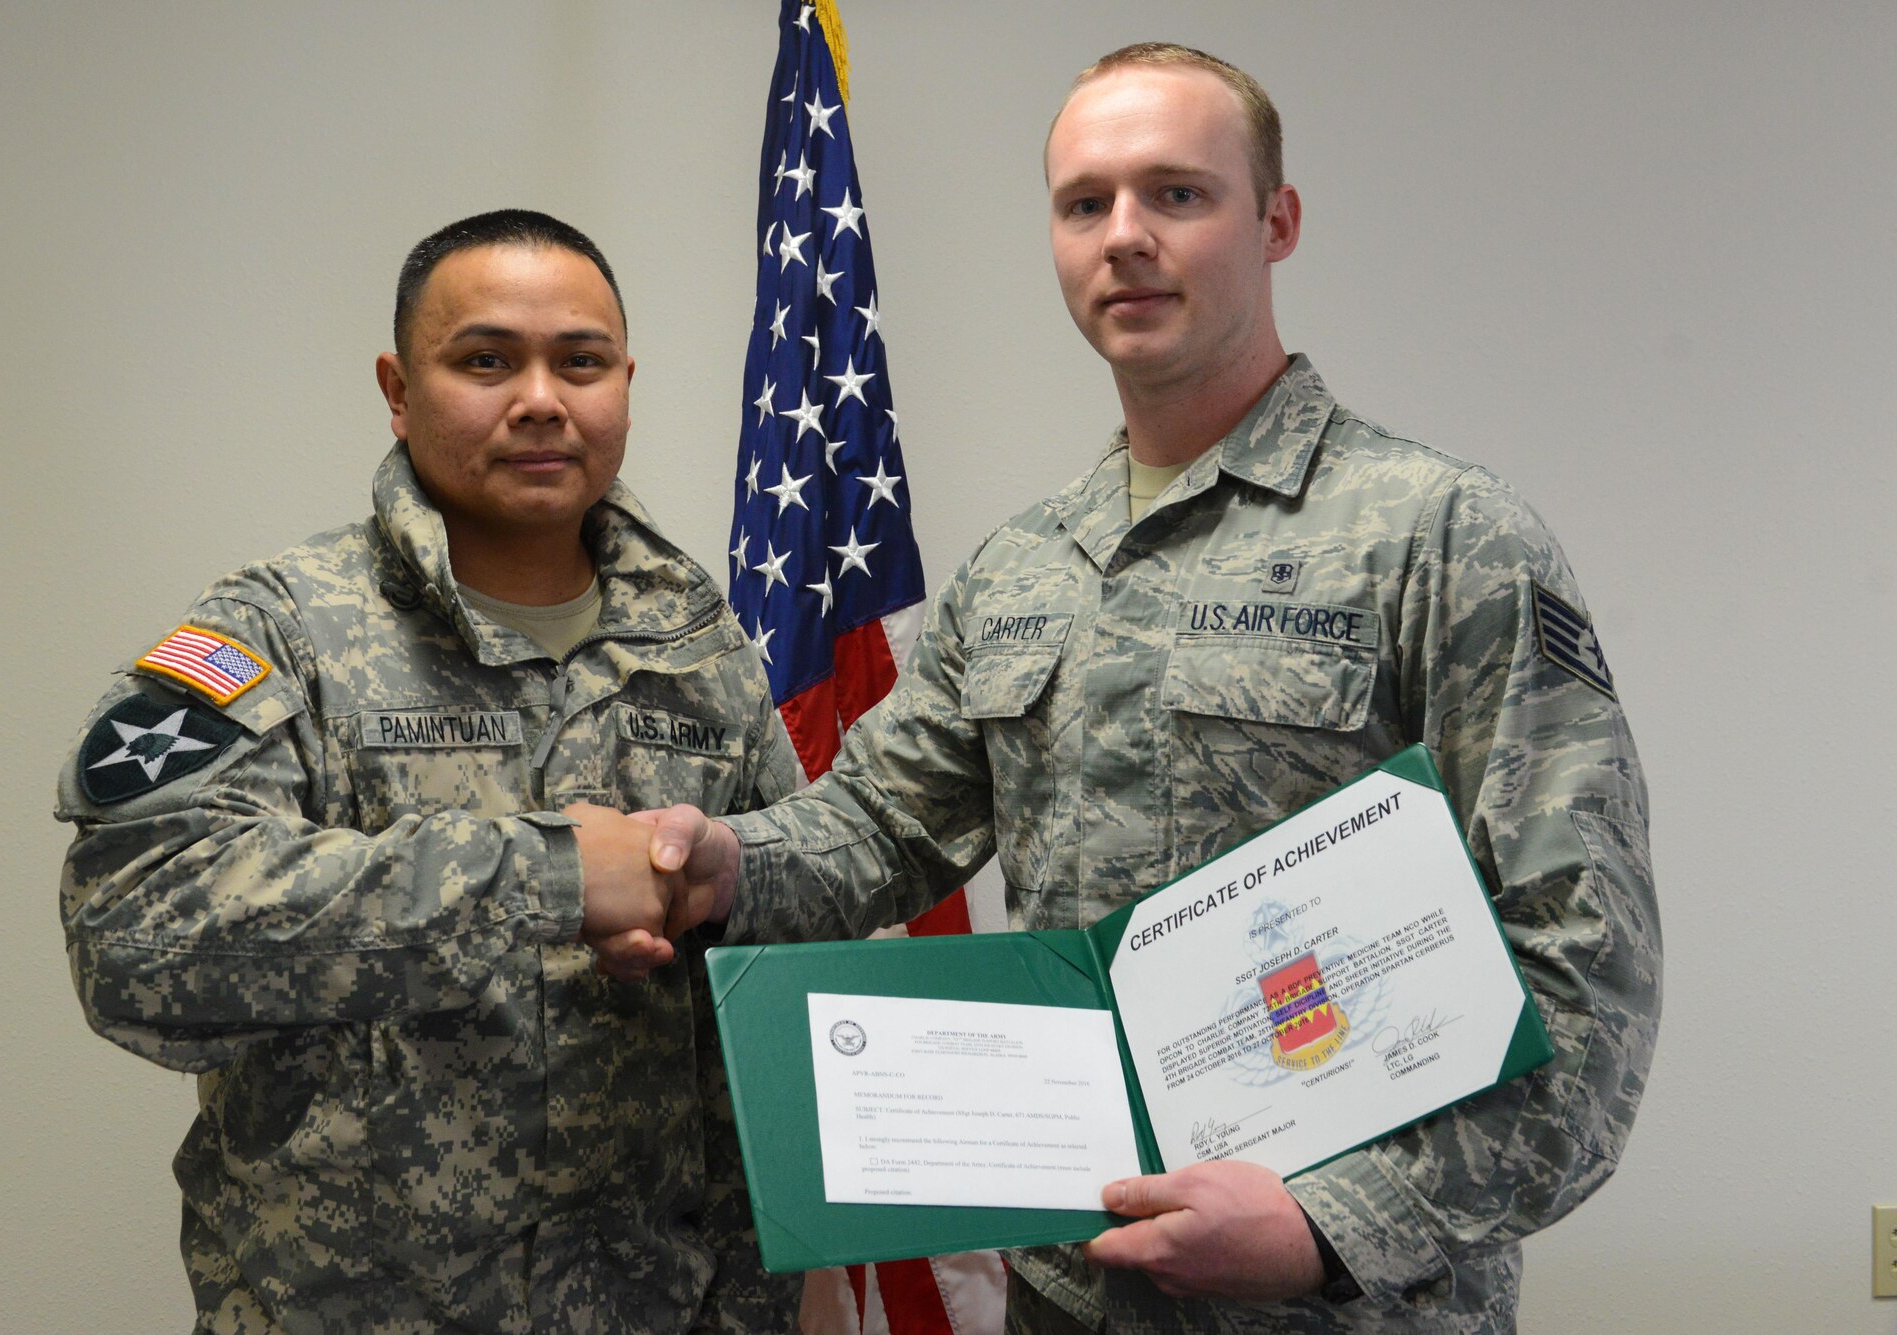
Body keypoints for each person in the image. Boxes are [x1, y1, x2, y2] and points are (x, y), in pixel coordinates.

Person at [600, 44, 1662, 1334]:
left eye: (1175, 194)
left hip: (1339, 1311)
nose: (1124, 238)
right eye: (1083, 202)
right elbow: (878, 826)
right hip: (1073, 1297)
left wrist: (1331, 1226)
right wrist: (724, 862)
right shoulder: (1023, 567)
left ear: (1275, 222)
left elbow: (1580, 973)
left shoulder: (1439, 537)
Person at [54, 210, 797, 1333]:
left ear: (625, 386)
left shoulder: (699, 646)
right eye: (486, 360)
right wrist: (545, 878)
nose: (540, 399)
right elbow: (135, 931)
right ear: (399, 390)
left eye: (580, 363)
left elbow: (793, 969)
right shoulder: (280, 631)